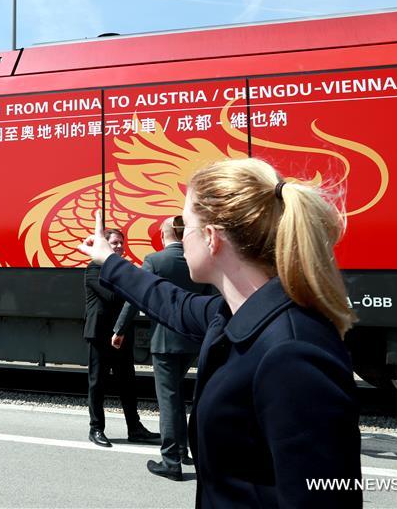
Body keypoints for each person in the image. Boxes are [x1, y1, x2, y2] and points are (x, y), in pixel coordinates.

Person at [78, 158, 361, 507]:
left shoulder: (293, 353)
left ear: (212, 238)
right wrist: (110, 261)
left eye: (186, 225)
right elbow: (171, 303)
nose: (182, 236)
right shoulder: (231, 314)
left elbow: (328, 496)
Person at [112, 215, 210, 480]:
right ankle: (182, 450)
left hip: (165, 342)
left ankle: (171, 463)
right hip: (192, 339)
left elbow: (135, 296)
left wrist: (120, 329)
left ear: (163, 235)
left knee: (168, 399)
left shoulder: (155, 261)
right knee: (178, 396)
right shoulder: (194, 261)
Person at [84, 228, 159, 447]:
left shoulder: (122, 270)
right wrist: (132, 285)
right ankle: (96, 428)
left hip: (121, 334)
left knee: (128, 383)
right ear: (105, 245)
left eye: (121, 243)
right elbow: (112, 295)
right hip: (99, 334)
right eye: (114, 243)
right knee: (97, 383)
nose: (119, 246)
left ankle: (135, 428)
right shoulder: (93, 269)